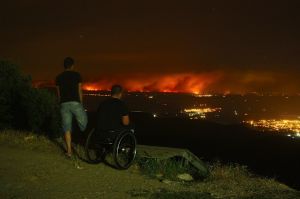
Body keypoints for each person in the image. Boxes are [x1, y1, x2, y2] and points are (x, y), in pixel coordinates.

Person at [56, 57, 88, 157]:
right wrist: (81, 104)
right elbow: (79, 91)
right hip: (75, 103)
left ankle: (69, 151)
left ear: (64, 66)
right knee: (84, 123)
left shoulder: (58, 77)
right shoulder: (77, 75)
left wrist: (60, 103)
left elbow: (59, 94)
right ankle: (83, 143)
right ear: (72, 65)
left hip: (64, 104)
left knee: (67, 128)